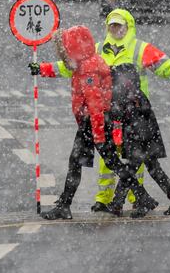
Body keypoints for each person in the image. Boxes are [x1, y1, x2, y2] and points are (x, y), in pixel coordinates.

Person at [37, 8, 170, 215]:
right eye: (112, 25)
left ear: (129, 27)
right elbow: (69, 67)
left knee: (133, 159)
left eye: (119, 25)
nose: (115, 29)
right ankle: (108, 200)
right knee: (118, 160)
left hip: (132, 113)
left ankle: (136, 200)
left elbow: (165, 66)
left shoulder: (139, 48)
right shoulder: (96, 49)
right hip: (113, 112)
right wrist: (43, 69)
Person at [28, 25, 129, 220]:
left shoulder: (88, 69)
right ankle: (141, 195)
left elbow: (96, 106)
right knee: (100, 162)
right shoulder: (85, 62)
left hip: (93, 123)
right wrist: (41, 69)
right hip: (92, 123)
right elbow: (63, 67)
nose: (65, 51)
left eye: (66, 47)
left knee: (83, 162)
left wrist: (98, 135)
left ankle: (65, 205)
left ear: (75, 48)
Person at [104, 64, 170, 217]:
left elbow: (117, 114)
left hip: (138, 138)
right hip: (146, 136)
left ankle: (124, 203)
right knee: (152, 169)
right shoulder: (135, 91)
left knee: (130, 170)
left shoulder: (123, 91)